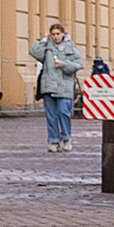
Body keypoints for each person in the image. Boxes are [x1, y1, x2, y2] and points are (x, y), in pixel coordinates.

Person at [29, 23, 84, 152]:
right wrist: (43, 40)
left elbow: (78, 64)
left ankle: (66, 138)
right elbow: (33, 51)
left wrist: (63, 64)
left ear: (63, 34)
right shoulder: (47, 48)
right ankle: (53, 141)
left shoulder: (71, 49)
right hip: (49, 85)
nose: (55, 37)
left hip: (65, 85)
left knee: (64, 112)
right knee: (51, 115)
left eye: (58, 34)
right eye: (53, 34)